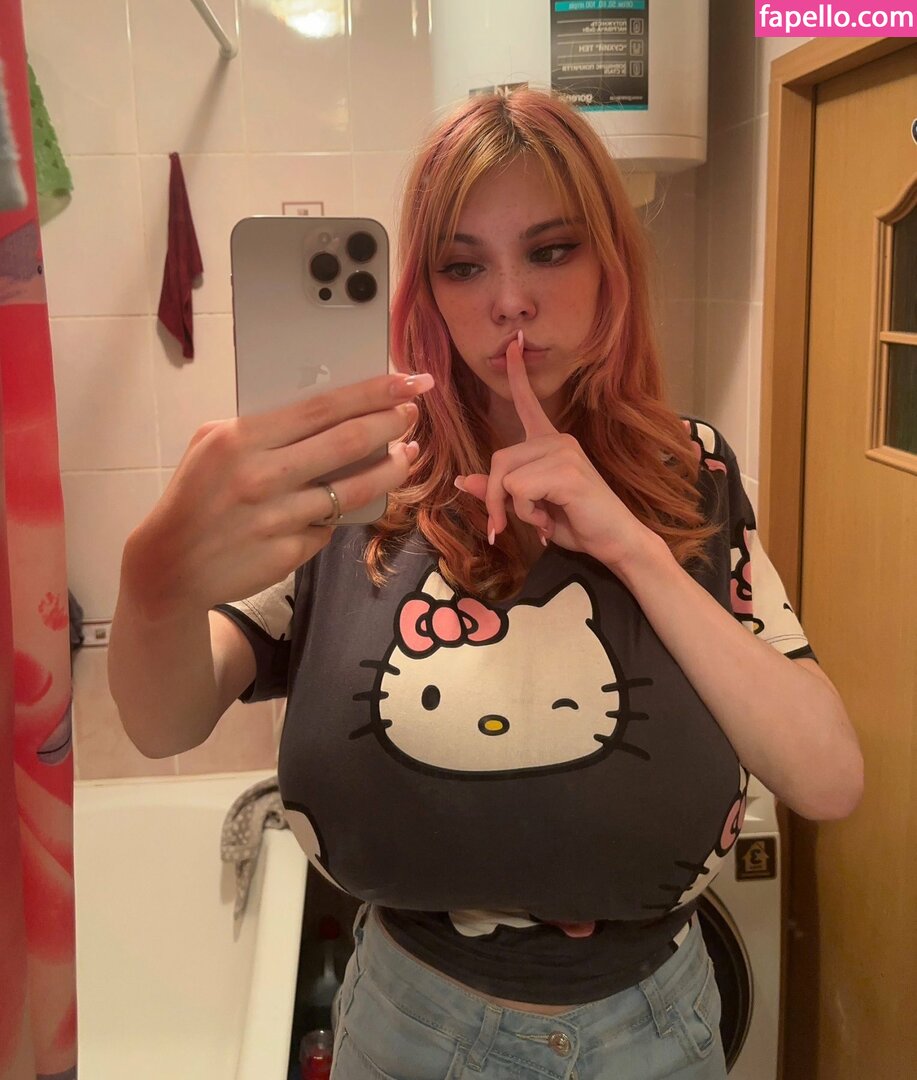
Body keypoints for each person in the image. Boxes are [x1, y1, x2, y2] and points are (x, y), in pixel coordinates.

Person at [108, 89, 863, 1079]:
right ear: (424, 291)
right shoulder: (359, 482)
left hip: (653, 1030)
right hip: (406, 1027)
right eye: (463, 265)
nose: (509, 301)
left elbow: (826, 778)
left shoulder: (692, 470)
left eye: (551, 250)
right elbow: (164, 722)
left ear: (609, 263)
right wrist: (155, 581)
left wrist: (630, 545)